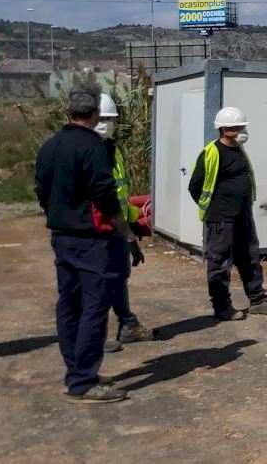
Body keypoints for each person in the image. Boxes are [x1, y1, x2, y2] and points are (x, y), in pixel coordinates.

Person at [36, 85, 145, 403]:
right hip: (94, 240)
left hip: (62, 237)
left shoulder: (50, 146)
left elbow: (41, 190)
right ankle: (83, 381)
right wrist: (126, 232)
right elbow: (105, 196)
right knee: (95, 307)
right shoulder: (93, 147)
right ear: (95, 113)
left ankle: (76, 372)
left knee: (69, 304)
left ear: (67, 111)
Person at [187, 106, 267, 320]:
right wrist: (214, 207)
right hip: (221, 219)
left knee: (250, 259)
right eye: (239, 127)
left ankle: (258, 301)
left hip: (243, 216)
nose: (243, 131)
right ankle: (222, 307)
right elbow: (195, 186)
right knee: (220, 264)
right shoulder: (212, 152)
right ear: (225, 130)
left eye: (242, 126)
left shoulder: (239, 149)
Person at [94, 93, 154, 353]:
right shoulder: (89, 152)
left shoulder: (111, 148)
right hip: (98, 228)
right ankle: (94, 338)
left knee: (118, 276)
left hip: (116, 225)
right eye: (102, 119)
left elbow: (119, 193)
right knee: (100, 282)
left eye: (110, 119)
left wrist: (131, 224)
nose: (106, 124)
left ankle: (128, 324)